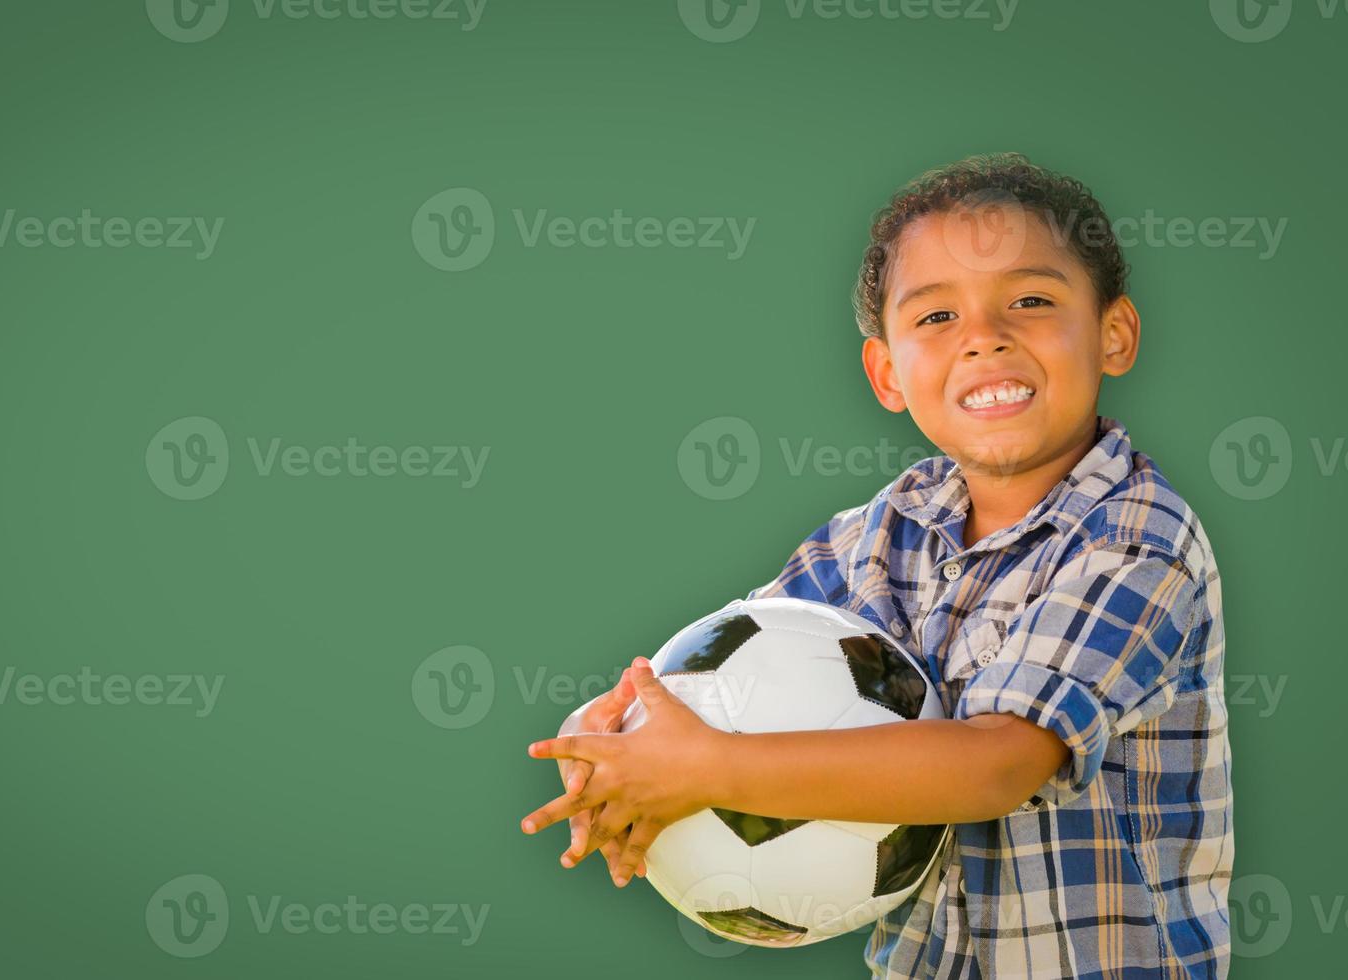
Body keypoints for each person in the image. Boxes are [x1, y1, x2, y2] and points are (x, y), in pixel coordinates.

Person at [520, 152, 1233, 979]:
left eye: (1031, 301)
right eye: (935, 318)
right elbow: (733, 668)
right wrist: (613, 742)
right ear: (887, 373)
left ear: (1114, 333)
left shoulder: (1136, 538)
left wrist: (709, 769)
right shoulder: (881, 530)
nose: (984, 337)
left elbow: (995, 766)